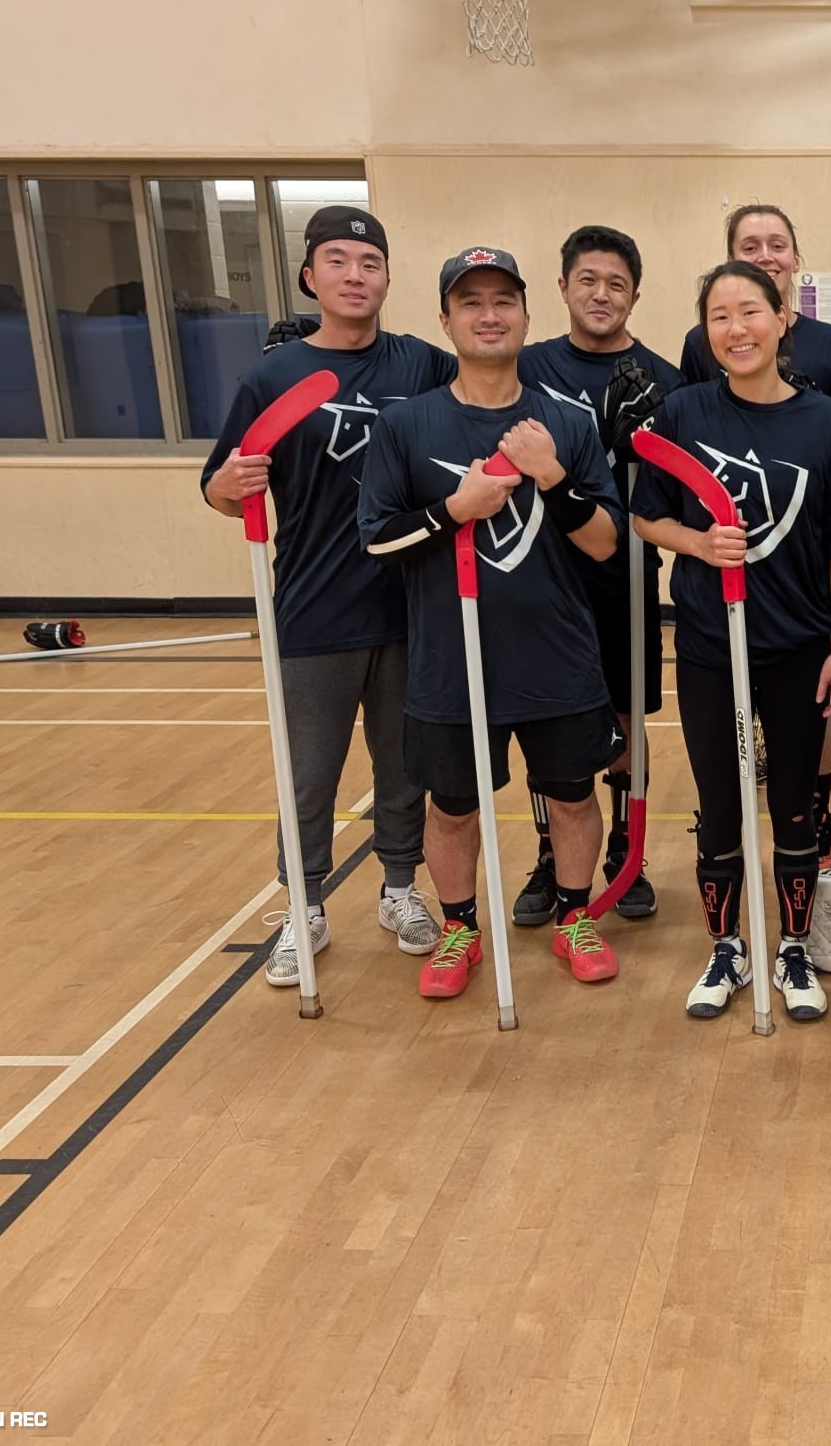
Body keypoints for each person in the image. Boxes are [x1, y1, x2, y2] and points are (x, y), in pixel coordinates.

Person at [356, 247, 626, 997]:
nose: (488, 314)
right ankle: (459, 930)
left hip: (557, 656)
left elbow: (605, 542)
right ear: (446, 320)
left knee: (572, 797)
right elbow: (378, 539)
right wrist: (452, 512)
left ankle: (575, 918)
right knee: (452, 807)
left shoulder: (565, 423)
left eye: (503, 300)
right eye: (470, 302)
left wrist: (553, 476)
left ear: (526, 315)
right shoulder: (409, 425)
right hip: (451, 658)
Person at [200, 205, 454, 988]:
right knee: (308, 770)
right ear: (311, 277)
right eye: (338, 262)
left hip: (409, 606)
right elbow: (217, 486)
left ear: (386, 278)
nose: (355, 275)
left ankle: (401, 889)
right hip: (313, 609)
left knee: (404, 764)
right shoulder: (273, 378)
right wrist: (228, 484)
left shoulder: (421, 366)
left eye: (369, 263)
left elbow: (482, 402)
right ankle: (304, 906)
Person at [630, 261, 831, 1023]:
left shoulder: (825, 422)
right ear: (705, 333)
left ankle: (792, 946)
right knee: (721, 806)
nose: (735, 329)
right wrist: (698, 546)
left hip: (800, 645)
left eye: (749, 312)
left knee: (799, 807)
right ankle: (727, 949)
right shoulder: (684, 413)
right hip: (711, 646)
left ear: (780, 320)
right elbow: (647, 517)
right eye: (719, 317)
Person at [677, 203, 831, 867]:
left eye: (776, 243)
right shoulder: (699, 369)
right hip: (720, 606)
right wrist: (696, 538)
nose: (764, 254)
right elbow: (682, 465)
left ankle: (812, 826)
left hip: (799, 593)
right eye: (748, 244)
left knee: (799, 756)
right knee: (723, 785)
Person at [512, 224, 682, 927]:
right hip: (534, 574)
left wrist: (645, 444)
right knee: (540, 716)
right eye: (588, 280)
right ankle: (552, 853)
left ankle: (624, 852)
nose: (601, 294)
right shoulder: (523, 368)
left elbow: (679, 485)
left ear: (635, 295)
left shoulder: (666, 379)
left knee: (622, 716)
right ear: (563, 288)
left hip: (624, 571)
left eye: (616, 284)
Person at [678, 203, 831, 411]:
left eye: (777, 246)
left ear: (796, 259)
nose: (765, 257)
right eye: (750, 248)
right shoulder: (701, 342)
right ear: (731, 261)